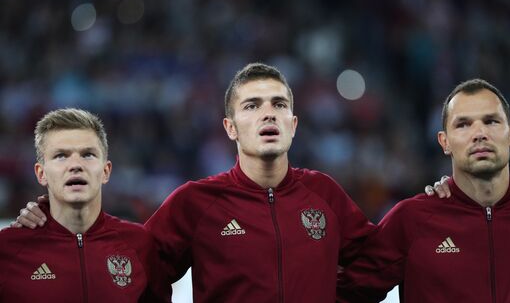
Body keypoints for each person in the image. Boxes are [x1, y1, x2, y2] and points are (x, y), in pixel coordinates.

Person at [13, 63, 451, 302]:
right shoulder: (196, 203)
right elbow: (129, 268)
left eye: (278, 104)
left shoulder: (324, 194)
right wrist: (50, 224)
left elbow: (379, 257)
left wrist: (445, 201)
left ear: (293, 124)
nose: (267, 114)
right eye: (252, 105)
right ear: (229, 127)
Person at [339, 79, 510, 302]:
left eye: (491, 121)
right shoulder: (412, 220)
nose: (479, 133)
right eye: (463, 124)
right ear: (444, 142)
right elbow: (341, 293)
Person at [0, 108, 170, 302]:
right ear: (41, 173)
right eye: (61, 156)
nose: (76, 165)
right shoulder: (7, 249)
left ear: (106, 171)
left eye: (87, 154)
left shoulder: (140, 245)